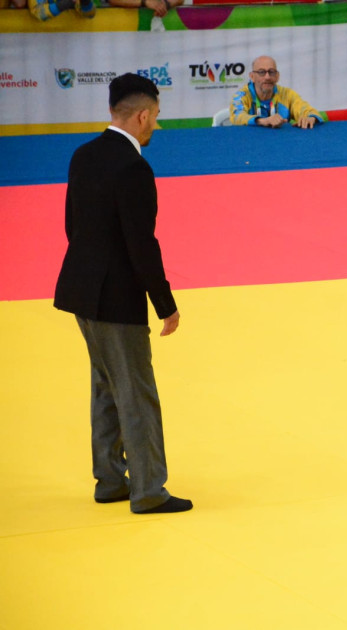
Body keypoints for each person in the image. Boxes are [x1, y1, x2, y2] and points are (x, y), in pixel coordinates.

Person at [53, 73, 192, 514]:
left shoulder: (83, 154)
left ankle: (110, 478)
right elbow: (141, 243)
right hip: (115, 297)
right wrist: (165, 304)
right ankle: (149, 489)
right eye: (155, 119)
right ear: (142, 115)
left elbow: (71, 227)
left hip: (81, 290)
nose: (156, 128)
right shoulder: (134, 167)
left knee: (105, 385)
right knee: (135, 391)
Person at [230, 56, 325, 128]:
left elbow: (308, 110)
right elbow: (236, 117)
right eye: (261, 72)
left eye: (271, 72)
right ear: (252, 77)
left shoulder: (287, 94)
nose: (267, 77)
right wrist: (263, 121)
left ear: (277, 76)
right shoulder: (242, 96)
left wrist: (310, 117)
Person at [27, 0, 93, 21]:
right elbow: (38, 13)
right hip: (45, 41)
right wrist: (63, 4)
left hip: (75, 40)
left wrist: (85, 3)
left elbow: (90, 16)